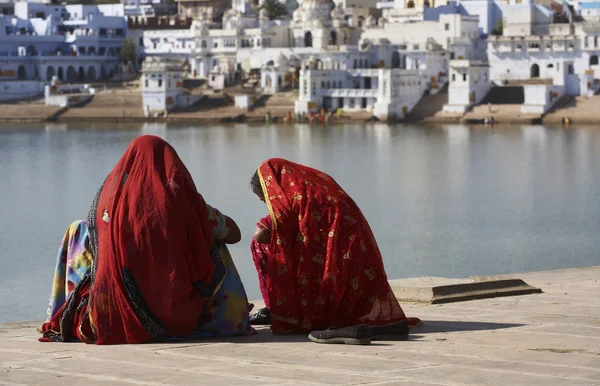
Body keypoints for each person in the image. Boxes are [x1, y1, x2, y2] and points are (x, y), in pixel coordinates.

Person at [40, 135, 254, 344]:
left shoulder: (106, 203)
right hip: (176, 320)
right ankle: (227, 318)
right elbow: (234, 234)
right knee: (211, 241)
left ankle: (62, 310)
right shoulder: (184, 203)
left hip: (107, 317)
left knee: (79, 230)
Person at [248, 159, 421, 344]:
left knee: (259, 245)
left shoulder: (297, 197)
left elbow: (261, 235)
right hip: (350, 263)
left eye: (265, 199)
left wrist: (268, 223)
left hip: (334, 261)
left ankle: (283, 309)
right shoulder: (317, 186)